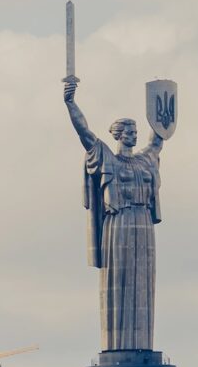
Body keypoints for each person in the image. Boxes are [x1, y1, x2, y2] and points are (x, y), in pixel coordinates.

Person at [64, 81, 164, 351]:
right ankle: (117, 346)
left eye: (135, 131)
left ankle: (143, 344)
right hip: (117, 222)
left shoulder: (146, 160)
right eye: (129, 131)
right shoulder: (107, 158)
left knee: (142, 282)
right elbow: (84, 133)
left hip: (143, 224)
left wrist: (162, 119)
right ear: (118, 135)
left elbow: (158, 139)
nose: (134, 135)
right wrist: (71, 103)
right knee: (118, 281)